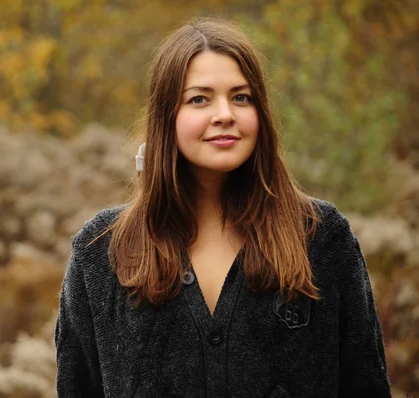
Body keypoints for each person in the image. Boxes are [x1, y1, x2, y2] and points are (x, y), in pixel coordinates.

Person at [55, 18, 391, 397]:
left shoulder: (323, 238)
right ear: (167, 117)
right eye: (199, 98)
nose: (225, 114)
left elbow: (367, 385)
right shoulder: (100, 253)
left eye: (241, 97)